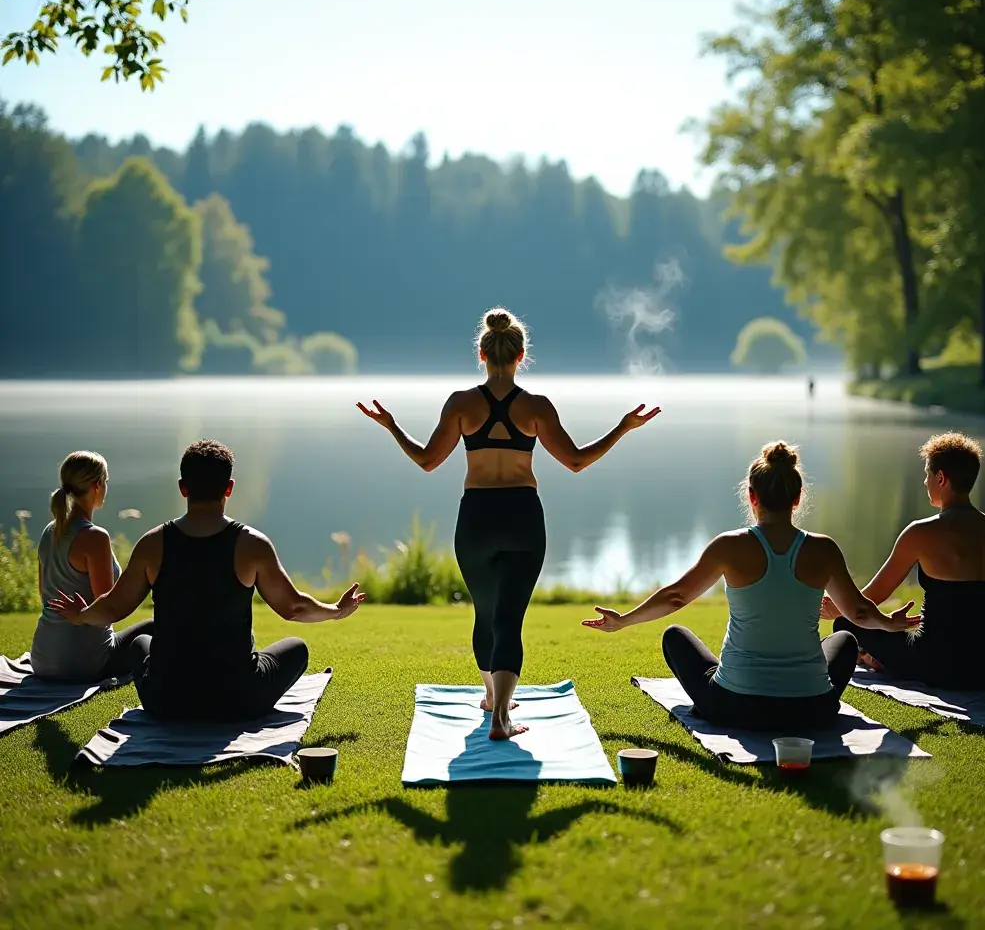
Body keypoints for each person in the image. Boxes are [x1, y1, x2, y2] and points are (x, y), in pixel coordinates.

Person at [358, 307, 660, 739]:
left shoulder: (461, 404)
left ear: (482, 354)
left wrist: (391, 426)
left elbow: (427, 460)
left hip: (477, 517)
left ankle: (491, 698)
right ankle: (500, 715)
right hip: (522, 517)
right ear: (521, 356)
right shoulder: (536, 407)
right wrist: (623, 427)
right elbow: (576, 461)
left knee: (486, 613)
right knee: (509, 619)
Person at [583, 441, 919, 730]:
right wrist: (889, 623)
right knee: (845, 640)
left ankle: (735, 685)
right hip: (811, 710)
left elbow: (676, 597)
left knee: (675, 636)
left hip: (734, 706)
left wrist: (623, 620)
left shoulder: (728, 546)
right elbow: (858, 612)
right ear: (797, 498)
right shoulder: (823, 549)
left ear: (751, 495)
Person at [49, 439, 365, 720]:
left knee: (139, 644)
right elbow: (293, 608)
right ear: (229, 488)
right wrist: (337, 610)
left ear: (182, 487)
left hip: (166, 702)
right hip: (238, 701)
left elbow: (113, 607)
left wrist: (80, 616)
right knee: (297, 648)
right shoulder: (252, 544)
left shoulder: (152, 544)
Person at [825, 432, 985, 690]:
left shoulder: (920, 532)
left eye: (927, 474)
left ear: (941, 478)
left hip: (940, 663)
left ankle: (874, 659)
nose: (925, 481)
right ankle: (877, 658)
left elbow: (873, 598)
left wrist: (839, 606)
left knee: (845, 623)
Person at [31, 450, 153, 681]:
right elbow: (107, 610)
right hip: (83, 662)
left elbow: (43, 592)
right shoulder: (95, 537)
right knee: (155, 627)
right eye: (106, 482)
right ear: (97, 486)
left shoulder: (50, 530)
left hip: (42, 659)